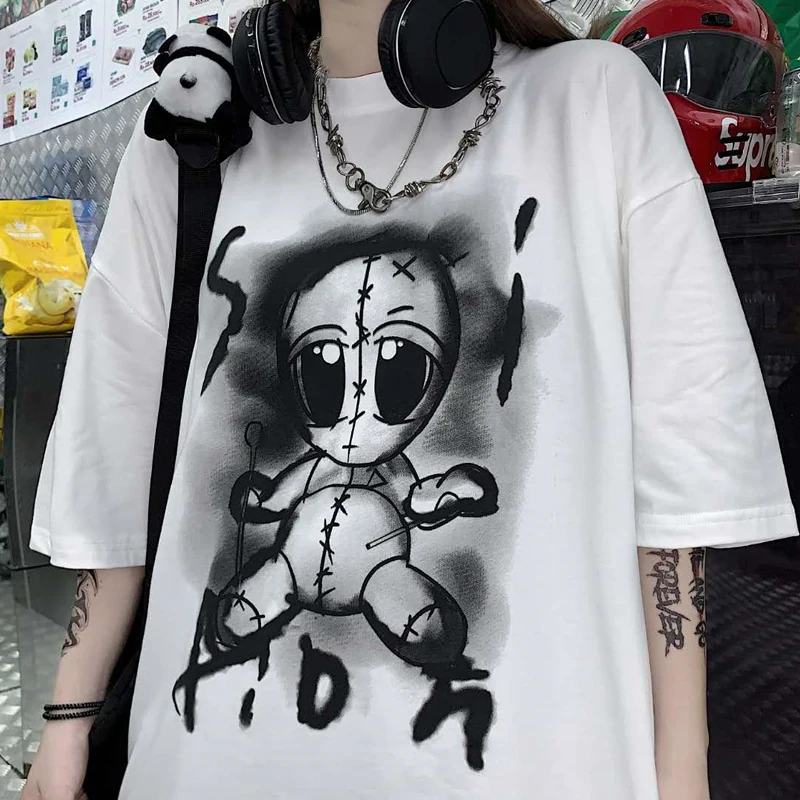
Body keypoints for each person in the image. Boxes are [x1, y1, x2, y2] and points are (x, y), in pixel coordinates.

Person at [22, 0, 798, 798]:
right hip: (203, 769)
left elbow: (679, 487)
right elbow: (118, 445)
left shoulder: (596, 104)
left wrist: (682, 770)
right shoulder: (194, 138)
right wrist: (68, 718)